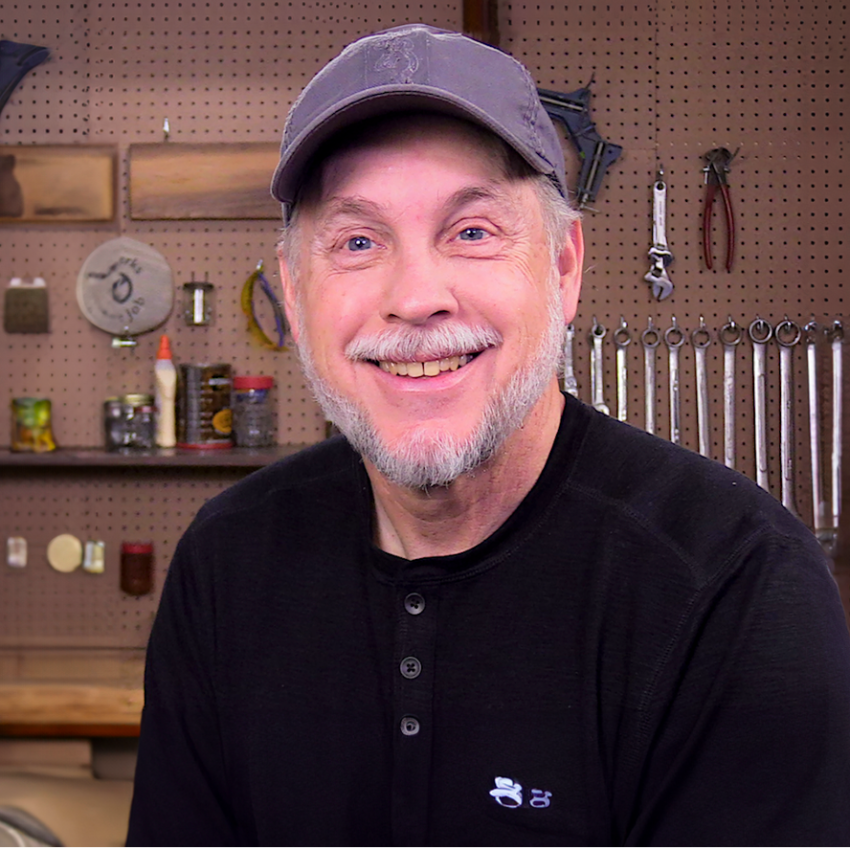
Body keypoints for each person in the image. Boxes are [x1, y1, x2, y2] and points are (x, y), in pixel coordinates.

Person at [126, 24, 850, 845]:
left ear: (564, 267)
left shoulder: (736, 587)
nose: (416, 298)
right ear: (294, 296)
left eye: (471, 232)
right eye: (358, 242)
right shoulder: (227, 561)